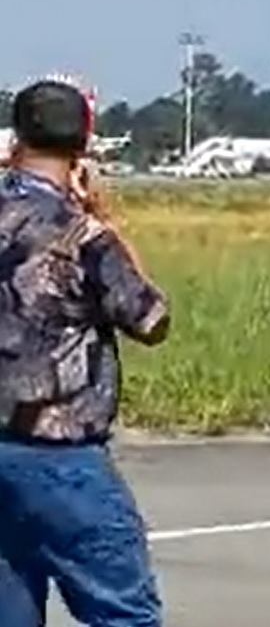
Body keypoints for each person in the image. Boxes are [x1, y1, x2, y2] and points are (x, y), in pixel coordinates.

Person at [0, 77, 171, 627]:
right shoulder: (82, 234)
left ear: (15, 140)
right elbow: (150, 318)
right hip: (60, 452)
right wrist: (105, 223)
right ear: (84, 146)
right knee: (124, 612)